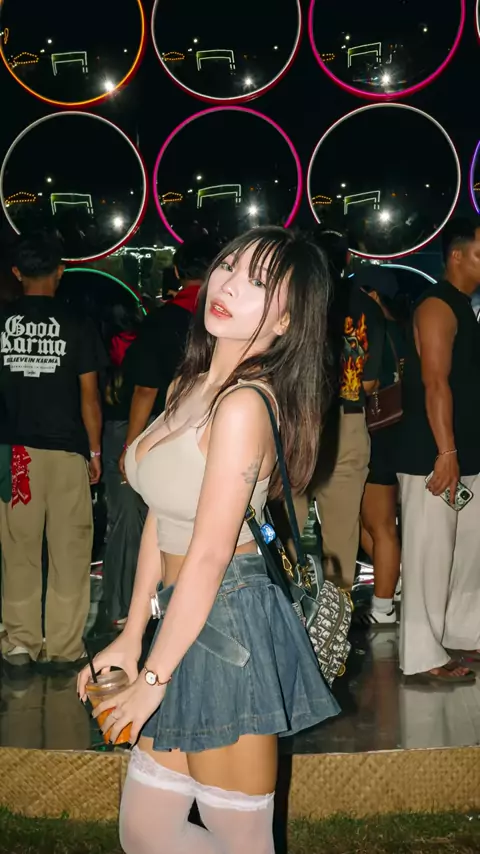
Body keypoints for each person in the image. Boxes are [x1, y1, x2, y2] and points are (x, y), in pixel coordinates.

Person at [78, 226, 340, 853]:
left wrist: (152, 680)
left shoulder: (245, 405)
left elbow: (210, 553)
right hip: (178, 618)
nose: (228, 285)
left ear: (286, 321)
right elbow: (162, 518)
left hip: (227, 630)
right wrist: (132, 635)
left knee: (238, 839)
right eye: (229, 266)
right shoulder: (189, 385)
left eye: (258, 282)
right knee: (146, 833)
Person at [0, 232, 105, 669]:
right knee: (70, 551)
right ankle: (64, 647)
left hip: (15, 454)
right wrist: (94, 452)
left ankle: (20, 644)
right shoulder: (77, 322)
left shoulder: (2, 322)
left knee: (18, 549)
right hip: (66, 453)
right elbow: (89, 396)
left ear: (17, 272)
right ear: (60, 271)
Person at [396, 217, 480, 683]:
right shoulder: (436, 306)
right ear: (457, 255)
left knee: (468, 554)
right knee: (429, 555)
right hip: (433, 454)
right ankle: (422, 654)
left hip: (467, 450)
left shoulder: (463, 307)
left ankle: (464, 633)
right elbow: (434, 382)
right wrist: (446, 452)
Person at [119, 236, 221, 478]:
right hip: (221, 425)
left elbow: (146, 389)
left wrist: (130, 446)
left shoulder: (160, 321)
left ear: (176, 271)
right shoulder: (231, 316)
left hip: (170, 429)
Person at [354, 267, 405, 626]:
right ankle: (395, 583)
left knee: (379, 523)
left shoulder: (376, 329)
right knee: (370, 522)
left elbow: (365, 384)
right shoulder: (401, 329)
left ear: (373, 296)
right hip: (394, 431)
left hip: (378, 433)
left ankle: (383, 607)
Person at [101, 299, 148, 627]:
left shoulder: (105, 348)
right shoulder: (145, 343)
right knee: (139, 520)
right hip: (146, 430)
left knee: (124, 520)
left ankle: (122, 604)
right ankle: (133, 603)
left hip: (117, 433)